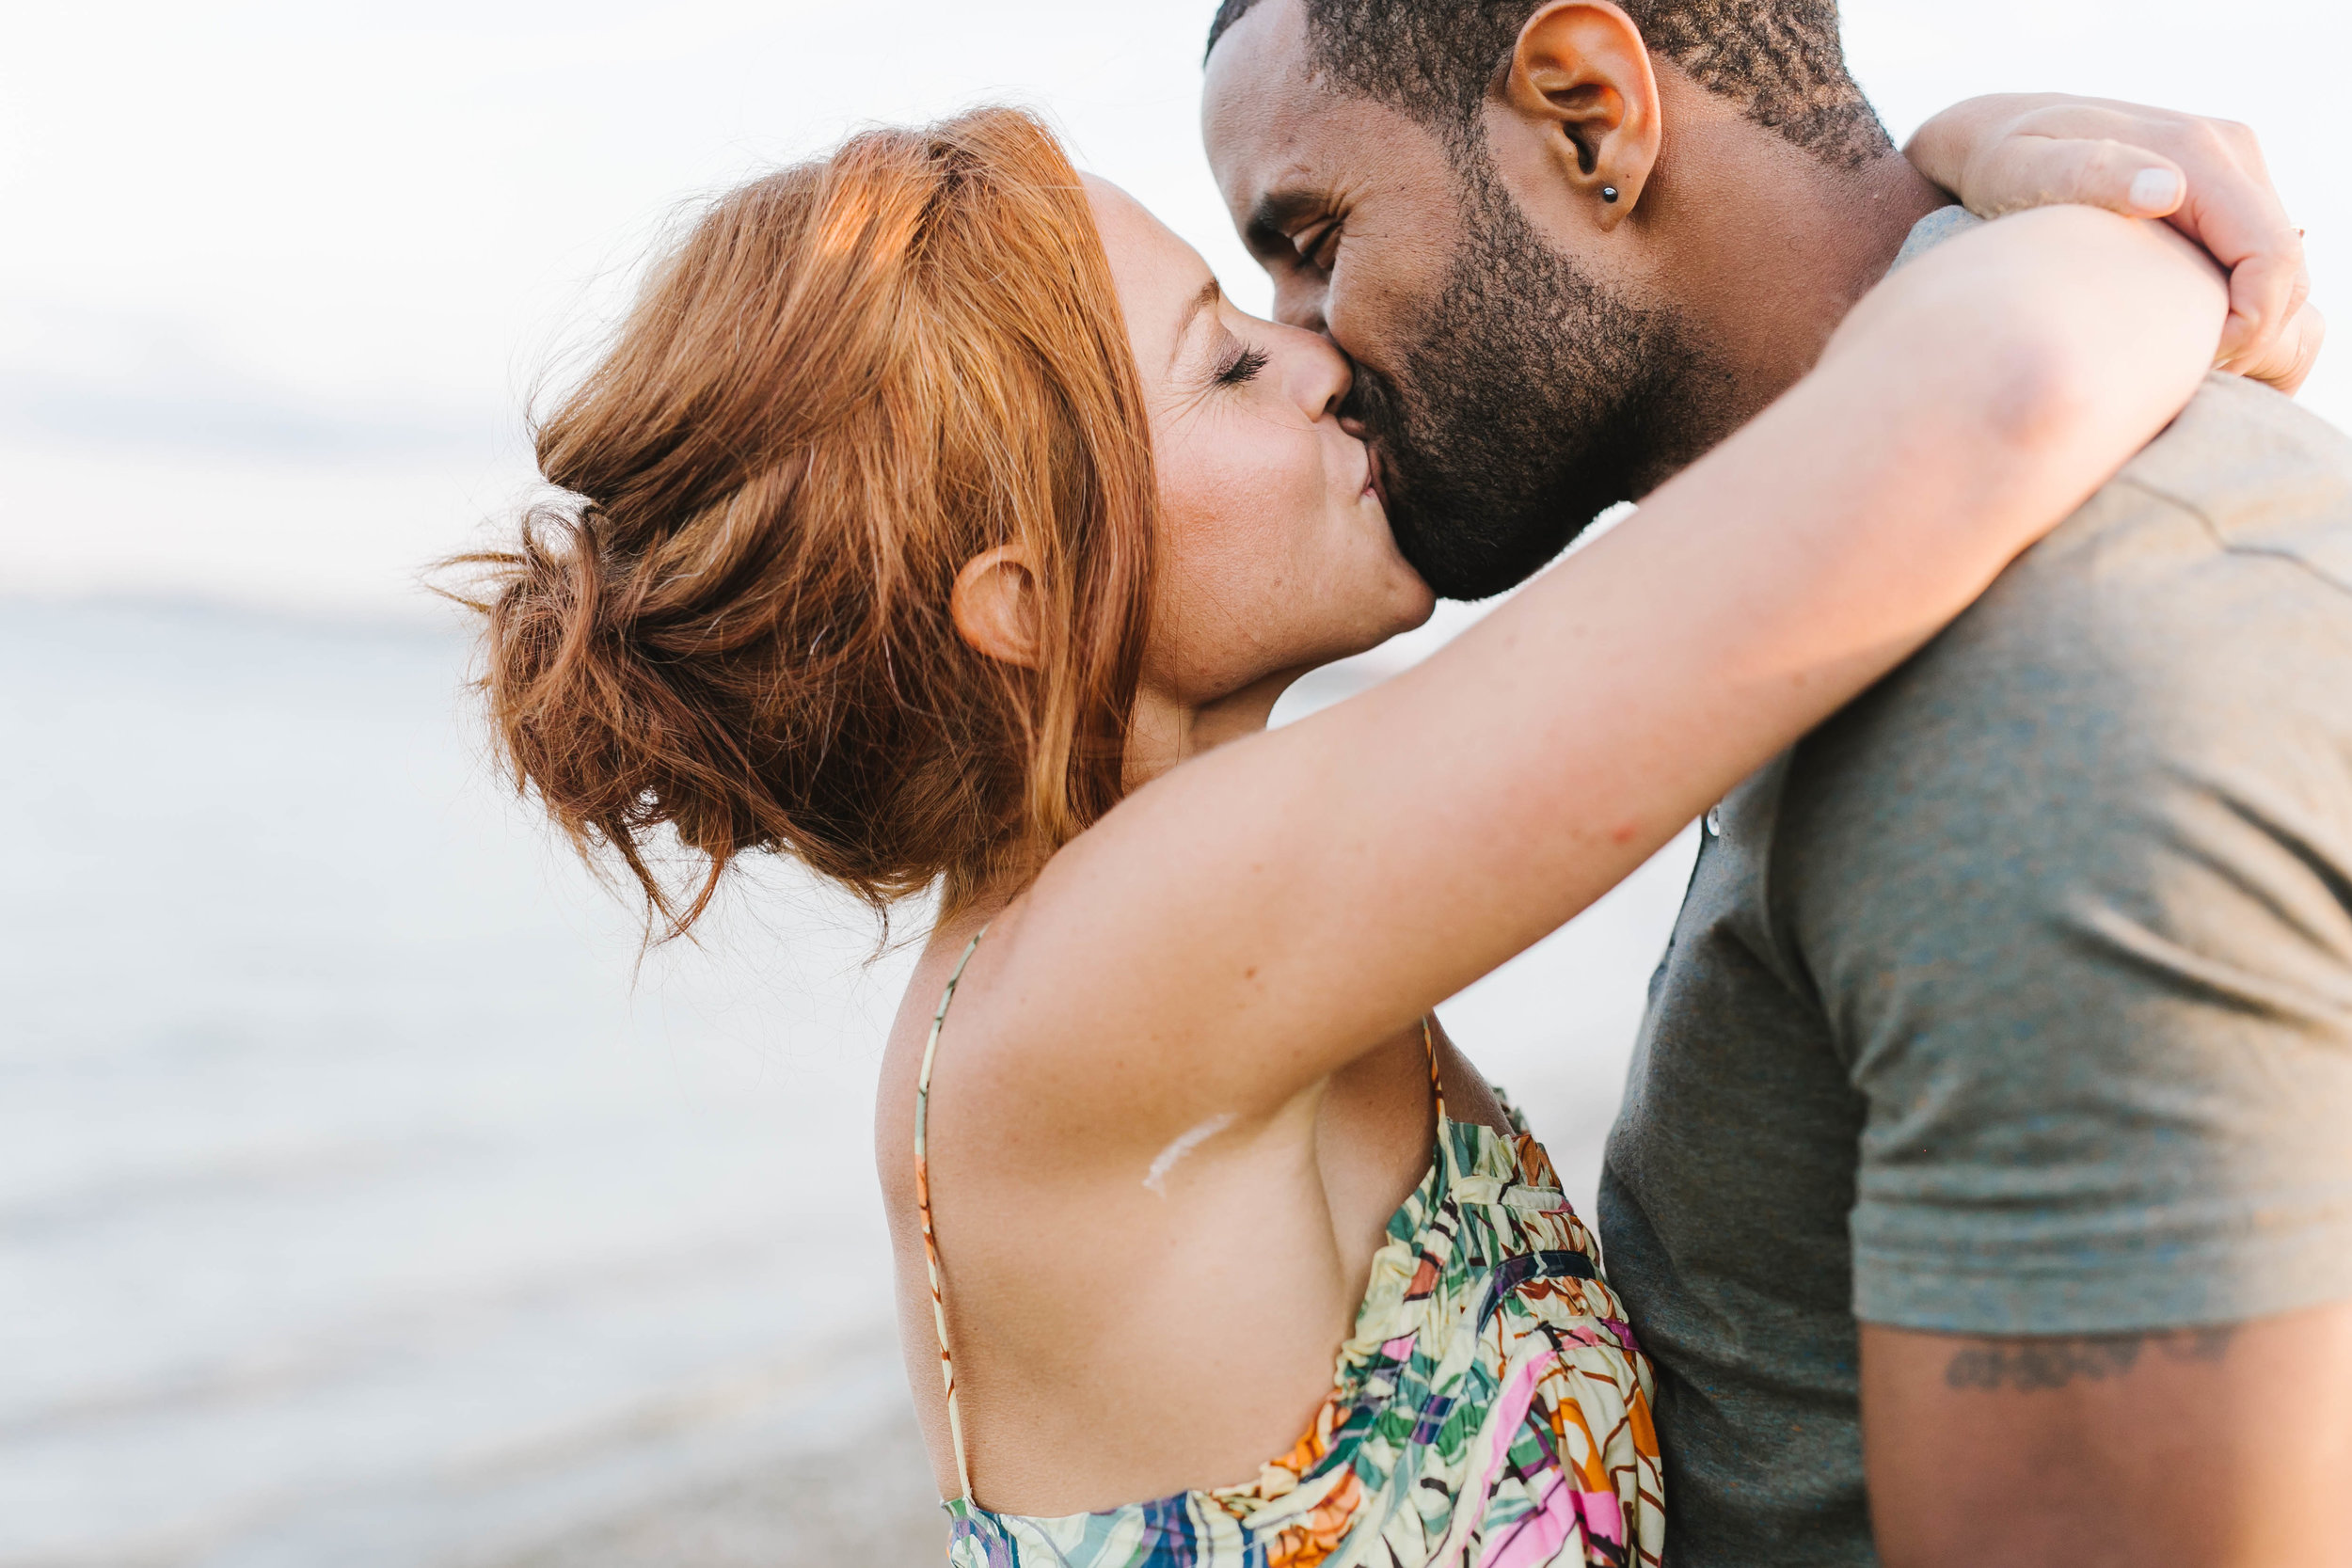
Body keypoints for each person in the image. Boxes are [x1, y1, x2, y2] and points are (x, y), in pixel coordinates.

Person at [455, 97, 2265, 1568]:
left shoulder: (1153, 938)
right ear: (1023, 600)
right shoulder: (1128, 960)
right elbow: (1990, 403)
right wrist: (2035, 180)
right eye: (1225, 370)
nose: (1321, 356)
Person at [1200, 3, 2348, 1565]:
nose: (1314, 348)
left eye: (1314, 238)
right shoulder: (1849, 599)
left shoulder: (2042, 693)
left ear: (1588, 117)